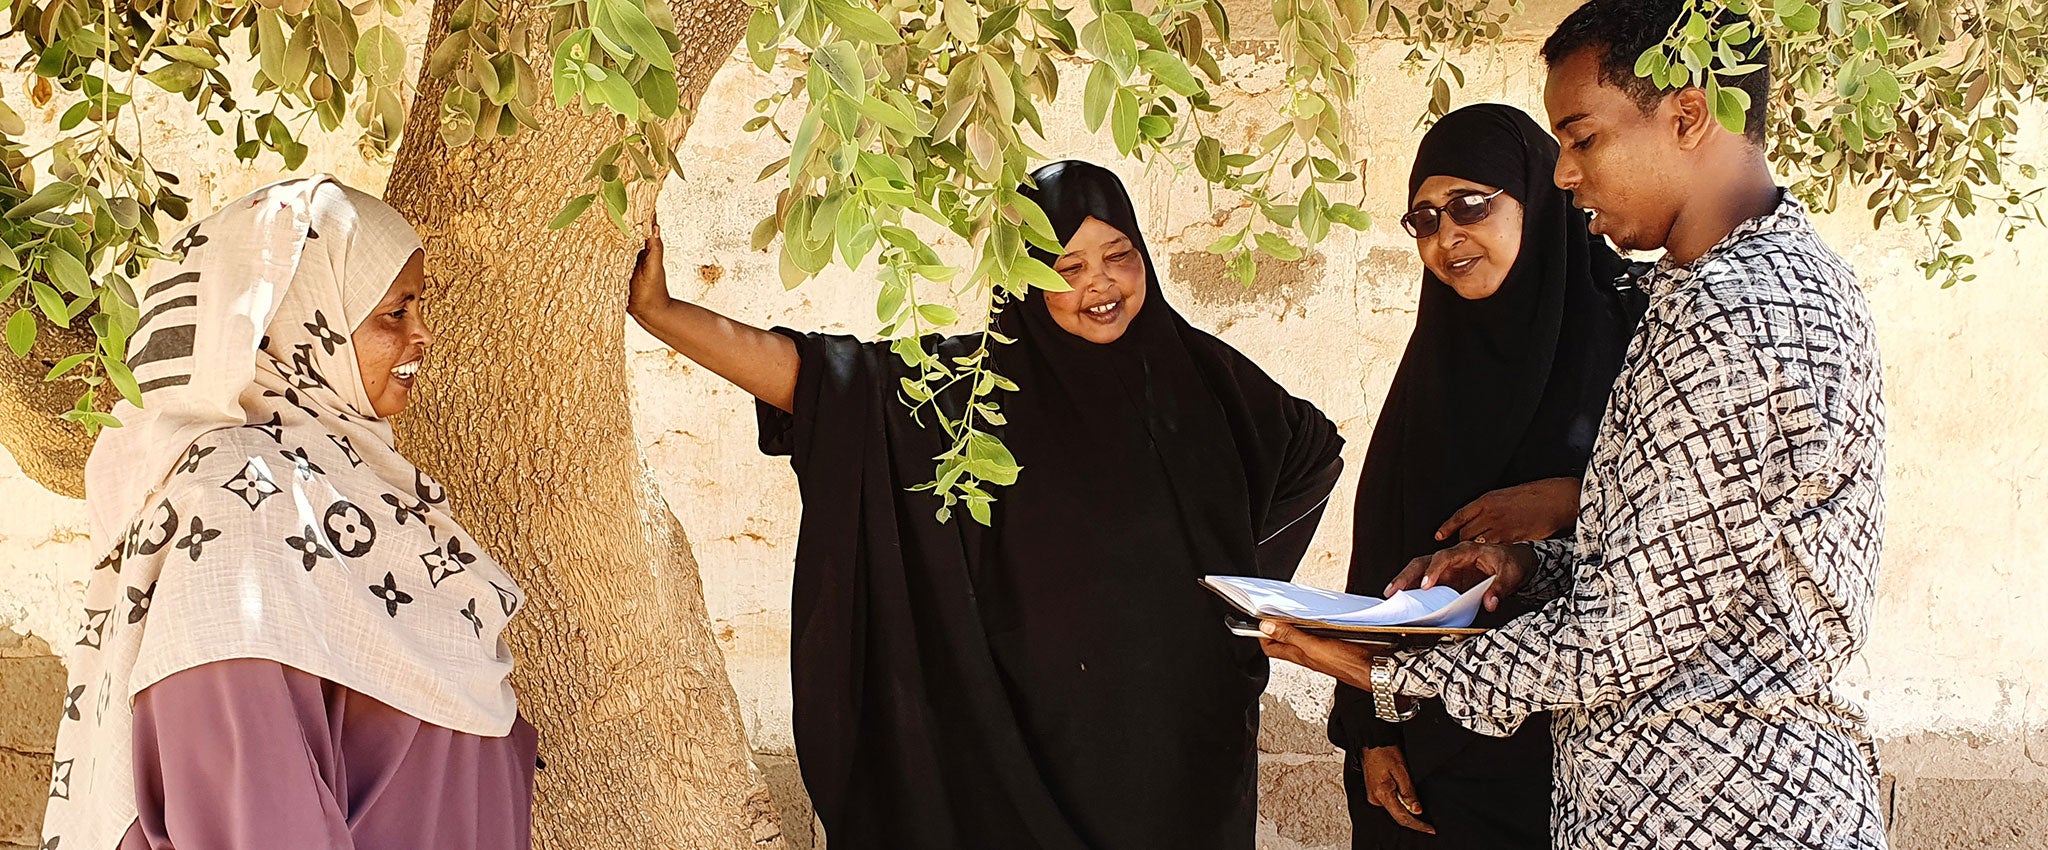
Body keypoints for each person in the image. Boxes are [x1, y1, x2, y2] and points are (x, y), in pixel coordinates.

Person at [1259, 1, 1891, 848]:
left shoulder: (1735, 315)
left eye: (1583, 138)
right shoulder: (1749, 288)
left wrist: (1389, 675)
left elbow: (1620, 638)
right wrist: (1527, 564)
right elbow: (1696, 572)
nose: (1563, 174)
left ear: (1688, 116)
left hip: (1719, 806)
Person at [627, 160, 1346, 849]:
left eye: (1118, 255)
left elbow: (1311, 456)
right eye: (1066, 267)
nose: (1100, 283)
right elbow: (820, 384)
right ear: (1024, 278)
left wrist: (1233, 599)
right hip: (1024, 751)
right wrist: (659, 311)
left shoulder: (1203, 373)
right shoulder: (976, 392)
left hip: (1186, 746)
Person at [43, 177, 537, 850]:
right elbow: (250, 804)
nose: (422, 335)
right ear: (304, 325)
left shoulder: (350, 486)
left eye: (419, 307)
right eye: (393, 312)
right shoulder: (240, 505)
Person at [1330, 103, 1645, 850]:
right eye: (1425, 220)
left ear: (1537, 198)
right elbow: (1378, 556)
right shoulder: (1438, 363)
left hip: (1590, 747)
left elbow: (1695, 514)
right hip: (1436, 755)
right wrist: (1372, 738)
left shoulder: (1636, 332)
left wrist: (1571, 500)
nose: (1447, 235)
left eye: (1471, 205)